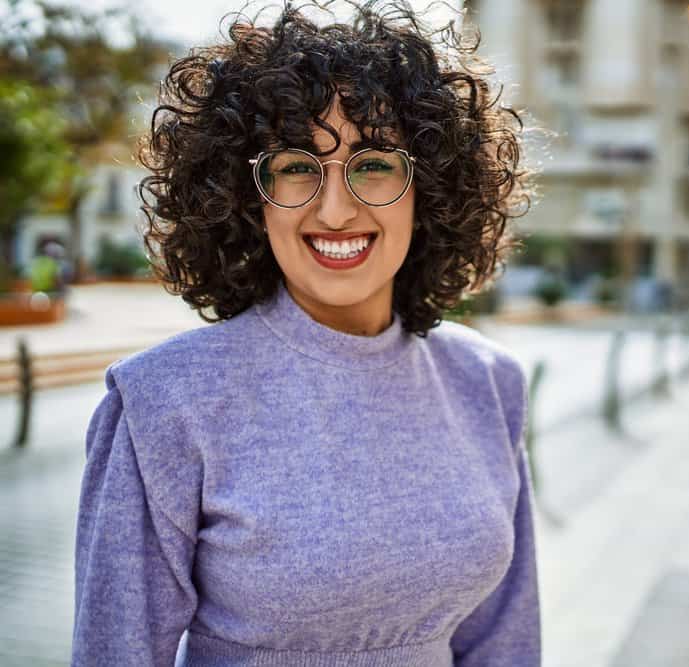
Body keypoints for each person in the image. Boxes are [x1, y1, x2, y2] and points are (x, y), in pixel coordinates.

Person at [71, 2, 541, 665]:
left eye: (374, 162)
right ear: (247, 194)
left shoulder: (488, 383)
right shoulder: (163, 402)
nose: (335, 208)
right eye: (296, 165)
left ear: (431, 187)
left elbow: (506, 645)